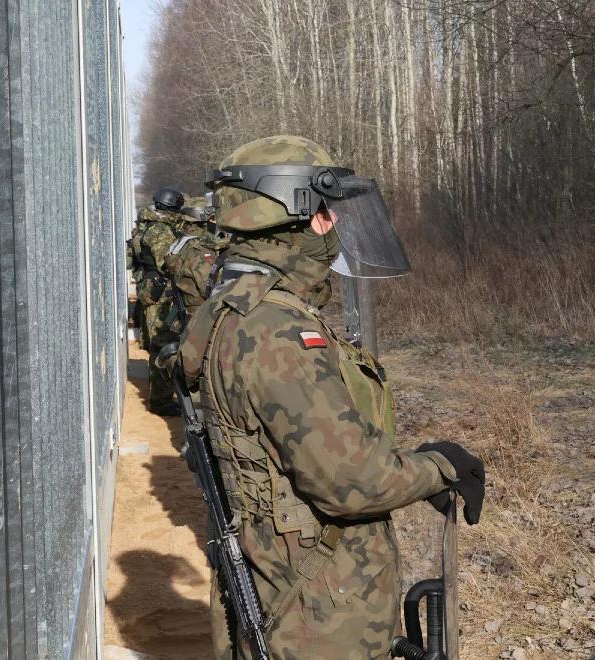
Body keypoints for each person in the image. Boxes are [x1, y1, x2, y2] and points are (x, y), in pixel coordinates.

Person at [177, 136, 486, 659]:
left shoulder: (230, 307)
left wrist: (404, 469)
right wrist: (440, 467)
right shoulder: (276, 330)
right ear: (294, 213)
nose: (335, 224)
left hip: (280, 581)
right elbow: (350, 482)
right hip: (314, 608)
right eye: (326, 211)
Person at [132, 186, 194, 415]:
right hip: (161, 295)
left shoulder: (151, 225)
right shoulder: (160, 230)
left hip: (155, 291)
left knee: (161, 343)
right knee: (163, 345)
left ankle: (162, 396)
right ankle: (161, 401)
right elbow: (166, 263)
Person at [165, 195, 230, 321]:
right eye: (213, 218)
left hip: (190, 314)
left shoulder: (182, 242)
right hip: (202, 317)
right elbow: (210, 288)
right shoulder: (199, 251)